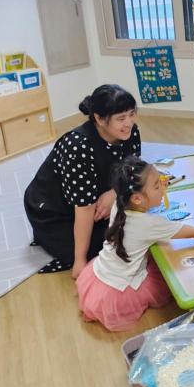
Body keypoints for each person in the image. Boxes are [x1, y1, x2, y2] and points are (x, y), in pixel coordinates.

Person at [76, 156, 194, 331]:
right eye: (157, 185)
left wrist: (155, 184)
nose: (163, 187)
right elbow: (193, 231)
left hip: (101, 272)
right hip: (120, 288)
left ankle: (95, 310)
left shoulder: (120, 204)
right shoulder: (149, 224)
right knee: (172, 274)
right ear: (137, 198)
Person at [24, 84, 142, 277]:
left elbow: (133, 168)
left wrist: (114, 193)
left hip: (95, 197)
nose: (129, 122)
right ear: (99, 119)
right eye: (121, 118)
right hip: (54, 210)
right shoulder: (78, 146)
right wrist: (80, 261)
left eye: (132, 114)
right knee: (114, 241)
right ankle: (51, 238)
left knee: (131, 227)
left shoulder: (130, 131)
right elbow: (84, 207)